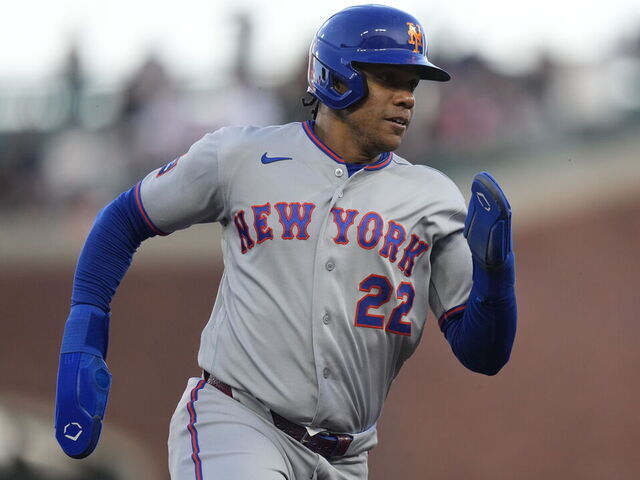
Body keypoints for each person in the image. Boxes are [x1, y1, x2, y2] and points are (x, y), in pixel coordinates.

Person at [54, 5, 517, 480]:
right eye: (389, 79)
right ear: (337, 78)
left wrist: (496, 273)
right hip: (237, 424)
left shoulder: (433, 197)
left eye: (411, 84)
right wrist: (84, 335)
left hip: (347, 457)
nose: (407, 98)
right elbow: (124, 219)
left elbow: (482, 353)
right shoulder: (240, 156)